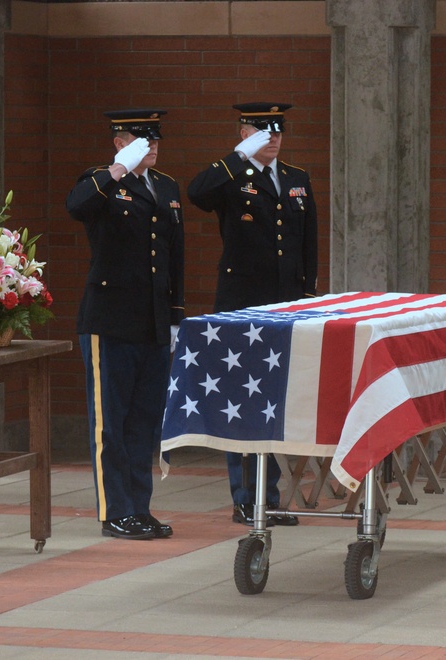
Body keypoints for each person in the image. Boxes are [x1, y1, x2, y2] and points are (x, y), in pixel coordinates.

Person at [187, 101, 318, 527]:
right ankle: (248, 496)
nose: (274, 136)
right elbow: (196, 192)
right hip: (242, 306)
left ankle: (271, 494)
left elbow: (309, 246)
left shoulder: (297, 179)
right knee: (242, 400)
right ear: (245, 135)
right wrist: (237, 156)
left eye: (278, 129)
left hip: (285, 307)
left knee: (276, 399)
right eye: (263, 130)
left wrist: (308, 298)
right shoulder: (231, 178)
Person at [66, 109, 184, 540]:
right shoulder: (102, 180)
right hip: (110, 320)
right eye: (142, 139)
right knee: (110, 423)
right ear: (121, 142)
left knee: (144, 420)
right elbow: (75, 206)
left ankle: (139, 506)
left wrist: (175, 318)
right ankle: (115, 510)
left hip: (152, 321)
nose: (152, 145)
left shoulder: (166, 186)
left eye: (156, 138)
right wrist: (117, 170)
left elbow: (176, 258)